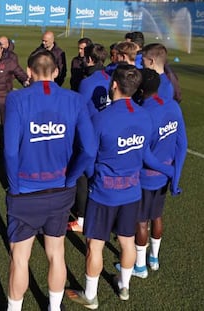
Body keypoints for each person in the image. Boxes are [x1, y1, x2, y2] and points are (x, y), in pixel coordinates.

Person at [67, 64, 173, 309]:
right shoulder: (145, 115)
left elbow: (88, 155)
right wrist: (170, 171)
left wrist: (84, 177)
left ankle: (91, 295)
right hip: (132, 190)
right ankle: (124, 286)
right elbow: (145, 152)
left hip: (104, 192)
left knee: (95, 244)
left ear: (113, 85)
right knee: (127, 241)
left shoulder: (101, 118)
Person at [4, 50, 96, 311]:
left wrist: (14, 185)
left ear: (29, 72)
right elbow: (89, 150)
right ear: (56, 72)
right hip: (59, 189)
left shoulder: (17, 98)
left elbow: (10, 150)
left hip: (25, 190)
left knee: (20, 258)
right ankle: (54, 308)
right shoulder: (74, 99)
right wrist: (71, 179)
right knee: (56, 252)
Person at [123, 68, 187, 279]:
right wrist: (174, 175)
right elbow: (182, 143)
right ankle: (154, 259)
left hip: (146, 177)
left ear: (140, 89)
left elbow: (145, 154)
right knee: (157, 215)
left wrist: (167, 170)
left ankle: (140, 267)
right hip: (164, 177)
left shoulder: (144, 114)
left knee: (141, 221)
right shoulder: (172, 106)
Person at [68, 43, 110, 233]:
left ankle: (82, 218)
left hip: (90, 133)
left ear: (90, 59)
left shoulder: (87, 81)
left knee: (83, 176)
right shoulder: (110, 78)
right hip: (106, 132)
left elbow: (80, 110)